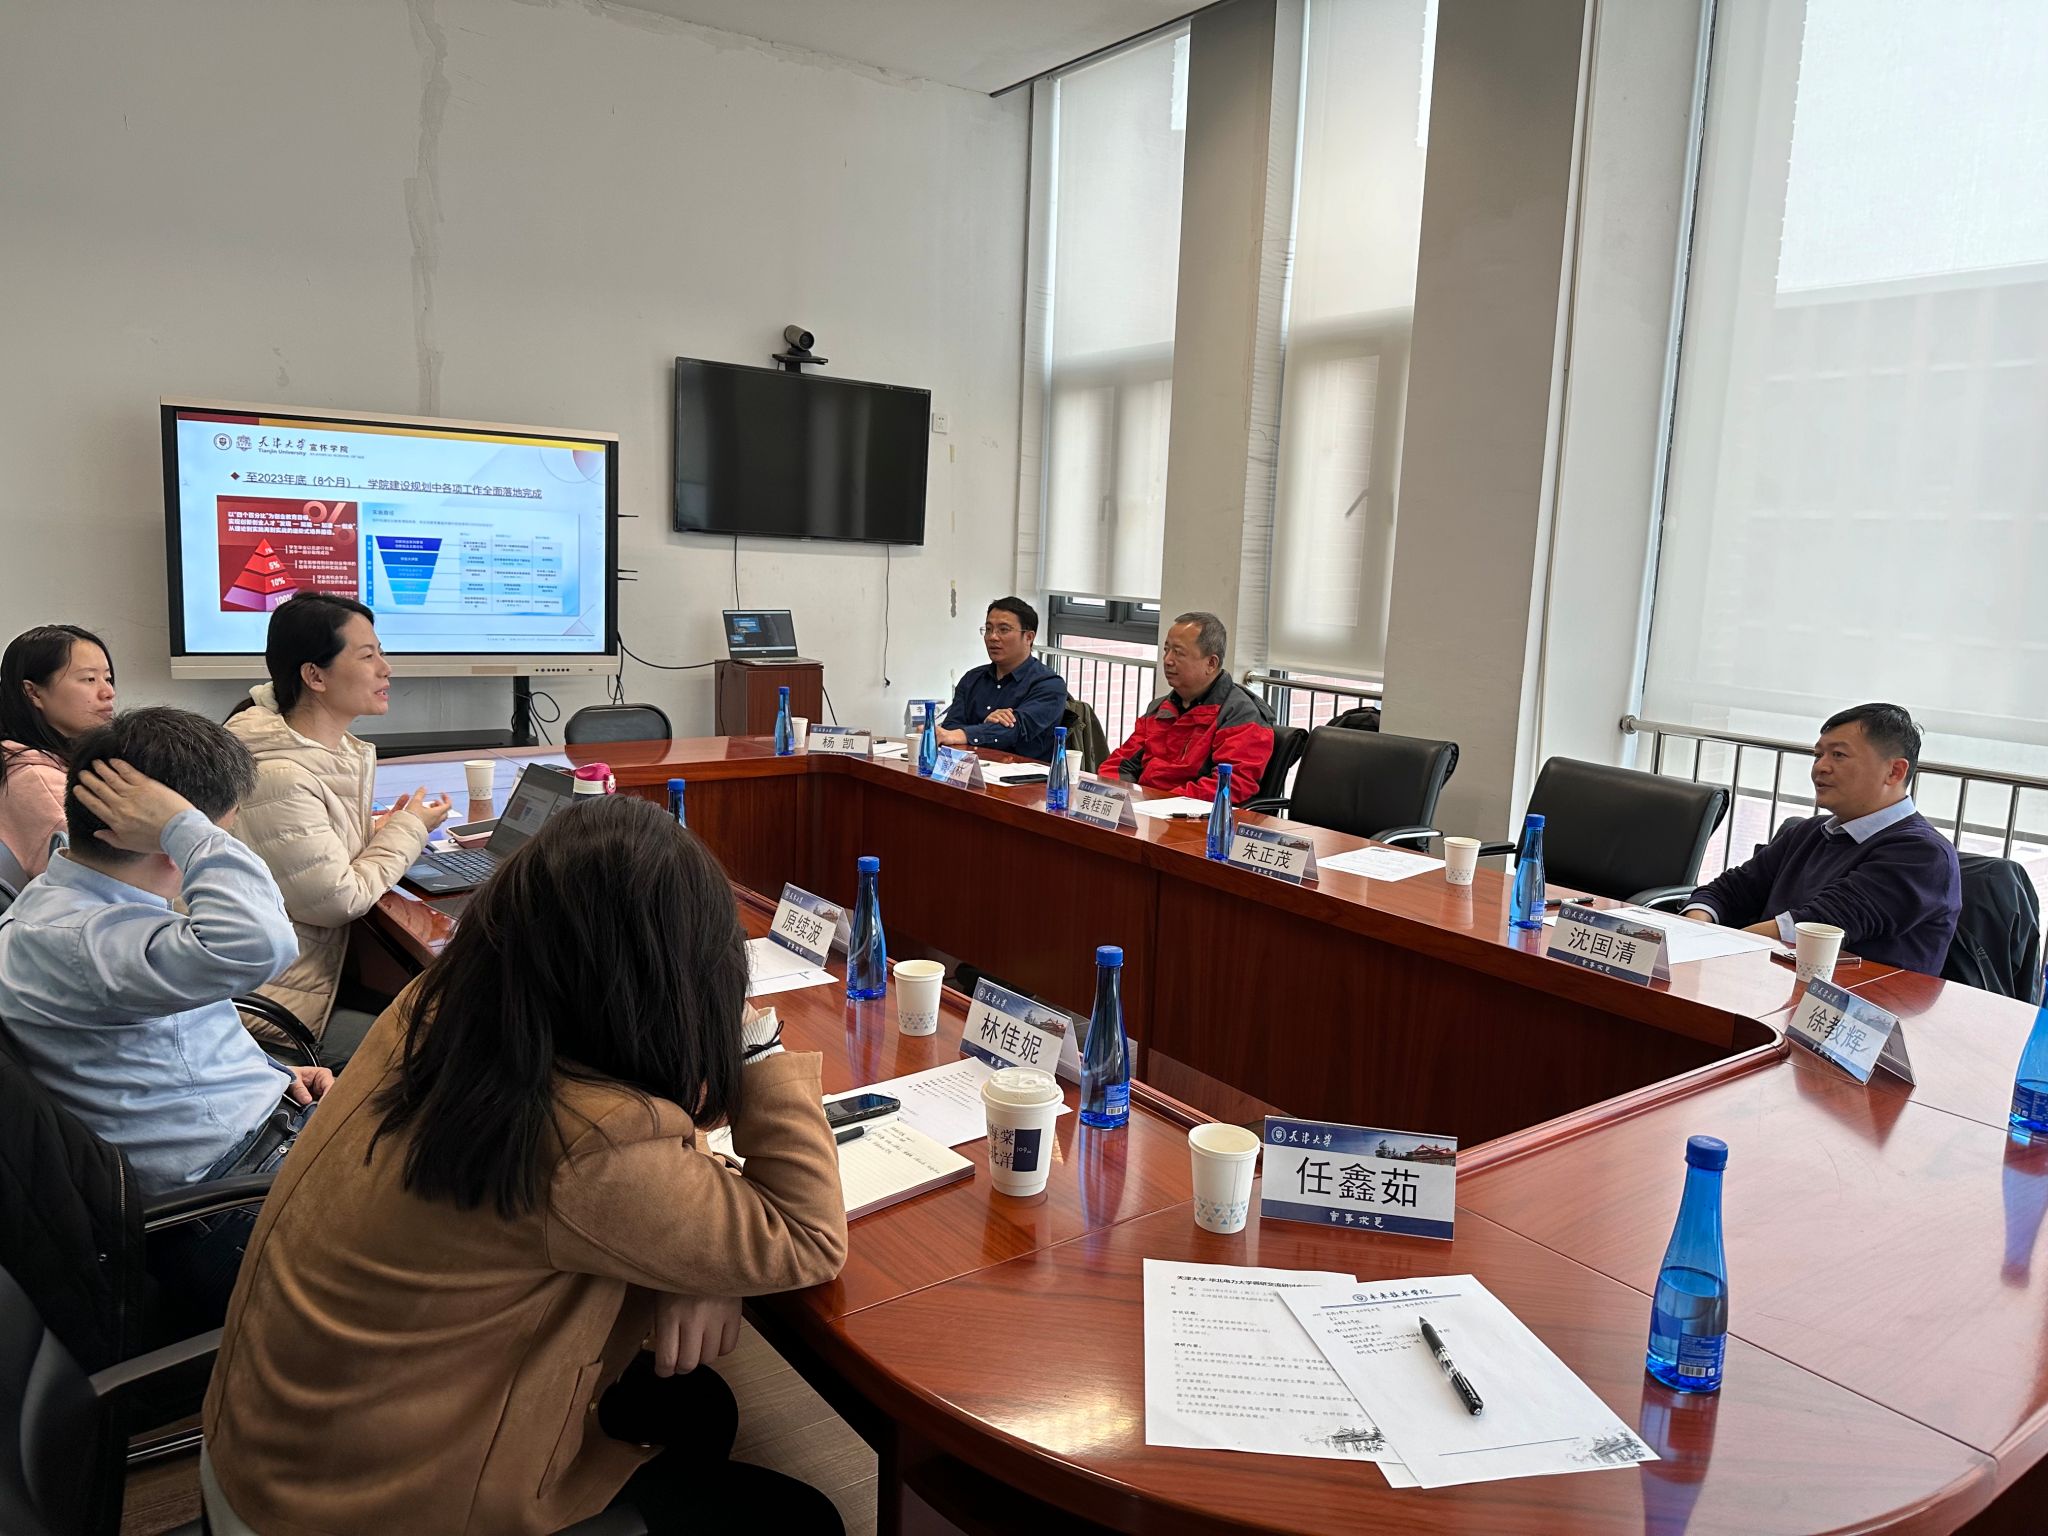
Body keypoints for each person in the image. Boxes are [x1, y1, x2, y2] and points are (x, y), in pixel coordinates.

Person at [202, 795, 849, 1536]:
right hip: (373, 1511)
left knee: (694, 1404)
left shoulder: (440, 1009)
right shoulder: (588, 1144)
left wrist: (698, 1266)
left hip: (271, 1460)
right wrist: (756, 1051)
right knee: (804, 1518)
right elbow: (805, 1236)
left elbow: (644, 1154)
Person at [0, 707, 319, 1326]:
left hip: (259, 1134)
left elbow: (175, 1039)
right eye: (219, 833)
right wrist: (185, 827)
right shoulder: (81, 941)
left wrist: (272, 1075)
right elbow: (261, 943)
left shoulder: (77, 900)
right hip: (229, 1202)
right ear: (148, 832)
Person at [225, 593, 451, 1065]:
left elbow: (313, 856)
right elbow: (338, 900)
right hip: (272, 1009)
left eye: (381, 653)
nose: (386, 669)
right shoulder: (280, 774)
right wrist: (409, 829)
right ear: (315, 675)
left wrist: (380, 830)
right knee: (452, 1052)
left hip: (310, 979)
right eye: (367, 656)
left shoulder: (323, 750)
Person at [1683, 702, 1962, 974]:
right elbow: (1730, 890)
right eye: (1818, 755)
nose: (1820, 767)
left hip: (1855, 1001)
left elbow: (1815, 927)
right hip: (1768, 981)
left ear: (1894, 771)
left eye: (1838, 755)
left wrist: (1712, 948)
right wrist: (1695, 927)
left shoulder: (1923, 854)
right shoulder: (1808, 832)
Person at [1100, 611, 1275, 799]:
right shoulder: (1160, 709)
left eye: (1178, 652)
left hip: (1190, 812)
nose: (1167, 660)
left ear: (1211, 663)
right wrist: (1115, 795)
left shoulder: (1241, 715)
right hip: (1147, 806)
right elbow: (1119, 764)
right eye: (1166, 650)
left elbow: (1231, 783)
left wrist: (1160, 802)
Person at [0, 624, 116, 880]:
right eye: (89, 679)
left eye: (107, 679)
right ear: (33, 692)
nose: (108, 692)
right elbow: (105, 878)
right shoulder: (37, 780)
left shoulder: (44, 761)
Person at [934, 596, 1068, 761]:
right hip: (971, 769)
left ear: (1029, 637)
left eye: (1003, 630)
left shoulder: (1049, 685)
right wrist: (985, 727)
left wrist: (971, 733)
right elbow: (950, 729)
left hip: (1023, 773)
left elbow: (1016, 730)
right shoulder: (972, 679)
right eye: (988, 629)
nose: (993, 637)